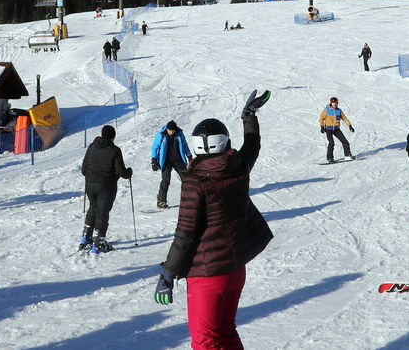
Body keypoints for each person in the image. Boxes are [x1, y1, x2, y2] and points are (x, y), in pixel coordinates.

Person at [154, 91, 273, 350]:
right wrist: (249, 117)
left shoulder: (195, 182)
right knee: (226, 332)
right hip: (235, 269)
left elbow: (185, 234)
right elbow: (252, 146)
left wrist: (168, 272)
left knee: (206, 342)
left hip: (207, 274)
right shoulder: (238, 164)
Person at [80, 125, 133, 252]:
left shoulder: (92, 147)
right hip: (106, 186)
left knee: (93, 207)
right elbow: (121, 171)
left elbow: (84, 169)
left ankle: (86, 237)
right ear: (113, 137)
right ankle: (99, 242)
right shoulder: (114, 150)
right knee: (102, 212)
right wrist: (129, 172)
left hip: (90, 185)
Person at [150, 120, 192, 209]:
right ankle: (161, 201)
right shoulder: (161, 135)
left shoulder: (179, 134)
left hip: (178, 160)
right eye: (170, 130)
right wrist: (154, 160)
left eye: (173, 130)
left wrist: (189, 156)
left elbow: (185, 145)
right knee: (166, 180)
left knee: (186, 179)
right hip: (166, 161)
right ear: (167, 129)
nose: (171, 132)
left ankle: (188, 199)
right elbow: (155, 147)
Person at [317, 97, 355, 163]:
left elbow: (344, 118)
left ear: (337, 103)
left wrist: (349, 125)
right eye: (333, 102)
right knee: (331, 143)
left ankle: (348, 155)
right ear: (331, 103)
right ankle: (330, 158)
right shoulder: (326, 110)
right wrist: (322, 126)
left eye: (335, 103)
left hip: (336, 129)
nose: (334, 104)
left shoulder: (339, 111)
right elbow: (321, 118)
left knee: (345, 141)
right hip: (328, 129)